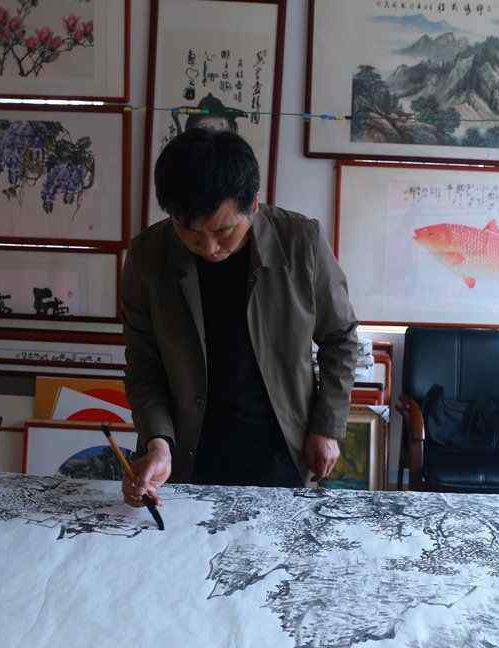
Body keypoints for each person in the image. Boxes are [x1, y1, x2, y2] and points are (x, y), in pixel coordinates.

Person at [120, 128, 358, 507]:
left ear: (254, 204)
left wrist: (327, 427)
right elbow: (143, 365)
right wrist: (158, 443)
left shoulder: (300, 242)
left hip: (283, 446)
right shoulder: (148, 256)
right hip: (188, 453)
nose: (209, 247)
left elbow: (341, 338)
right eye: (190, 232)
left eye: (223, 230)